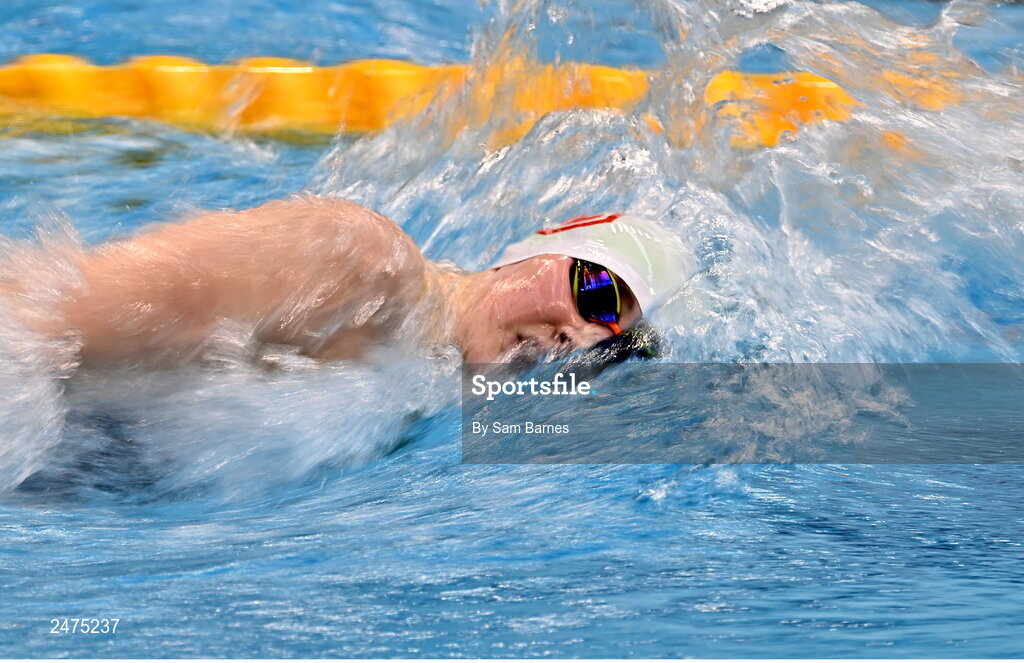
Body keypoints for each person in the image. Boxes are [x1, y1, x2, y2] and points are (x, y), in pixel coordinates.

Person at [2, 196, 691, 366]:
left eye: (611, 344)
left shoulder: (411, 388)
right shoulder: (367, 265)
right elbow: (44, 317)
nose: (578, 334)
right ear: (536, 249)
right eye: (597, 292)